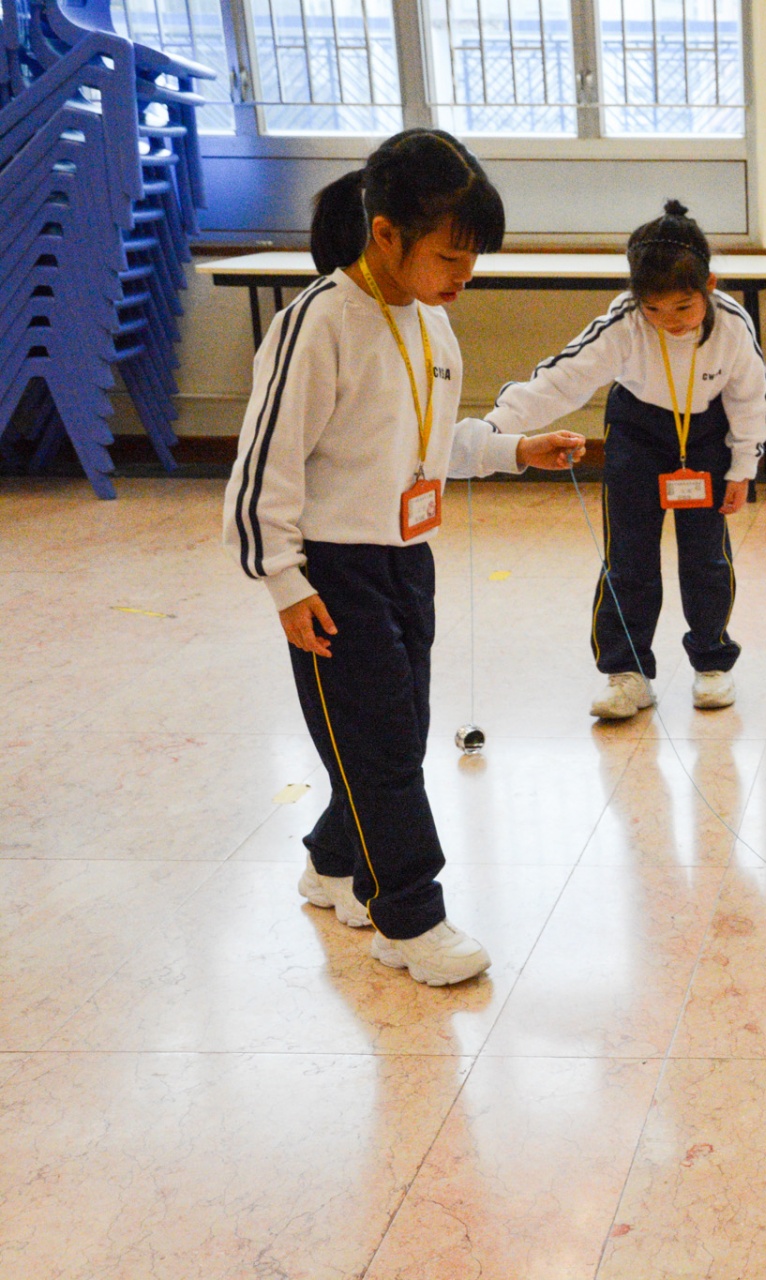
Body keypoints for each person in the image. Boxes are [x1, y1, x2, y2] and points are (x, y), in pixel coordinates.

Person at [222, 130, 585, 986]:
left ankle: (332, 862)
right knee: (383, 746)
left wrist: (514, 451)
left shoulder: (431, 324)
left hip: (406, 561)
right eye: (450, 256)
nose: (465, 275)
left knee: (390, 735)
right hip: (332, 571)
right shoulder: (317, 324)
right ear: (385, 234)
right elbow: (262, 470)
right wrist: (285, 582)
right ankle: (410, 917)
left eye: (473, 257)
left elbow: (424, 446)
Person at [486, 200, 766, 719]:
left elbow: (751, 400)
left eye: (683, 308)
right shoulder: (625, 322)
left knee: (706, 557)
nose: (669, 323)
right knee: (629, 558)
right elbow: (561, 380)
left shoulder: (732, 325)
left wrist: (742, 469)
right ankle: (627, 672)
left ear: (709, 286)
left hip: (705, 437)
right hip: (637, 433)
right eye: (654, 310)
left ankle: (712, 662)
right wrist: (495, 428)